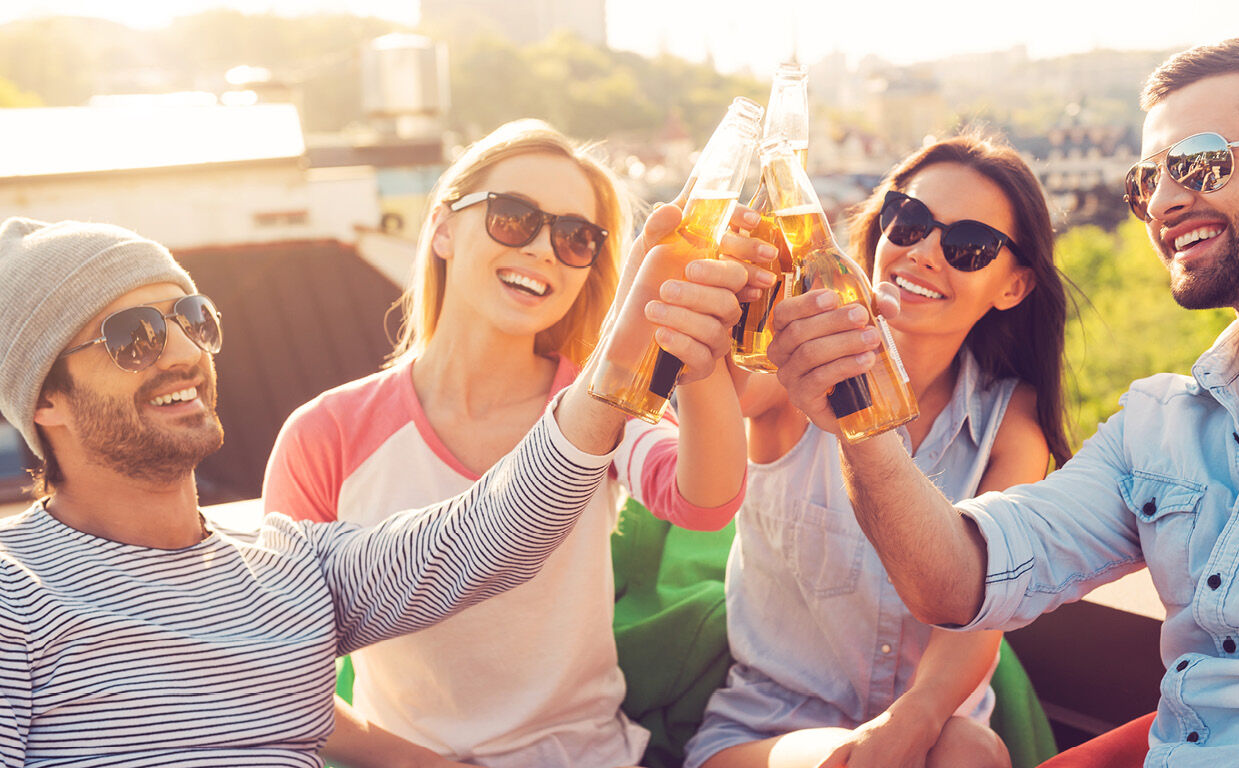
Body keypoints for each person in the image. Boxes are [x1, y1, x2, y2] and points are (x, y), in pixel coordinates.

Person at [767, 36, 1239, 766]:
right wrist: (858, 419)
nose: (1167, 202)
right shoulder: (1158, 429)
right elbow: (955, 581)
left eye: (1200, 163)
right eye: (1146, 182)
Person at [0, 204, 753, 765]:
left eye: (191, 319)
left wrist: (616, 365)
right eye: (134, 336)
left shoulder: (293, 569)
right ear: (43, 399)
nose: (182, 353)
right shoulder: (16, 595)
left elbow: (490, 531)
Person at [262, 120, 769, 768]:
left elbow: (705, 501)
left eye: (575, 237)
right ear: (442, 227)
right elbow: (275, 661)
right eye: (512, 217)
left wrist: (697, 357)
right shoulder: (327, 432)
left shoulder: (604, 408)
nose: (543, 250)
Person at [686, 133, 1073, 768]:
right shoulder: (789, 358)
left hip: (939, 726)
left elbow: (984, 609)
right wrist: (722, 291)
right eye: (910, 221)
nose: (922, 253)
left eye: (968, 245)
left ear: (1014, 286)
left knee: (971, 750)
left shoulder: (1010, 421)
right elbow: (717, 389)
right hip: (772, 731)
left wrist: (908, 725)